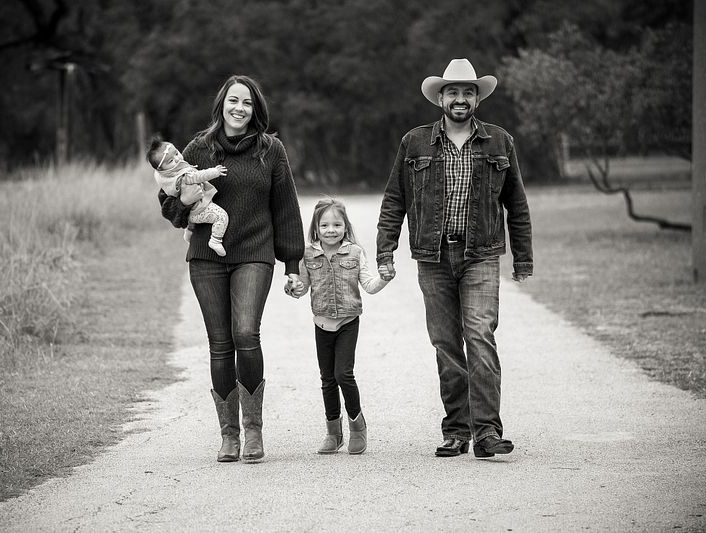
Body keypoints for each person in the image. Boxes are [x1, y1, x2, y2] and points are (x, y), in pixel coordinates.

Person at [375, 58, 533, 459]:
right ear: (440, 98)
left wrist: (523, 257)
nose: (460, 99)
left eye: (468, 92)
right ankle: (456, 431)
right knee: (446, 344)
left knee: (479, 337)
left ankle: (487, 433)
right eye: (453, 92)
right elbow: (395, 199)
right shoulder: (414, 143)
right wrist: (385, 249)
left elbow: (516, 203)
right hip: (433, 257)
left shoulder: (499, 141)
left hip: (480, 255)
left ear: (476, 98)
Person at [158, 75, 305, 463]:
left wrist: (293, 263)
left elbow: (285, 208)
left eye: (247, 103)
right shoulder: (197, 150)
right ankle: (229, 436)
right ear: (221, 104)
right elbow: (169, 205)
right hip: (206, 258)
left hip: (254, 253)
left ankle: (253, 432)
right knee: (220, 345)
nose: (239, 108)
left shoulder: (270, 150)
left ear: (256, 110)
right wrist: (185, 202)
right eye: (233, 101)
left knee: (245, 334)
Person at [285, 198, 390, 455]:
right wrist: (293, 288)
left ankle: (357, 426)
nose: (331, 230)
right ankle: (333, 432)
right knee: (327, 379)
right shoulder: (308, 254)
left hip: (347, 322)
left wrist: (384, 278)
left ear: (345, 226)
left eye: (337, 224)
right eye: (324, 225)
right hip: (321, 323)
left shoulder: (355, 252)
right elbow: (301, 286)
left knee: (344, 374)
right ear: (316, 228)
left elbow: (369, 286)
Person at [148, 139, 229, 255]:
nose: (177, 159)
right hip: (199, 208)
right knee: (221, 216)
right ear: (161, 169)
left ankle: (189, 230)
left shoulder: (165, 175)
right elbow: (197, 176)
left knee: (193, 218)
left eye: (176, 153)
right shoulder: (180, 177)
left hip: (192, 211)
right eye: (170, 161)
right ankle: (215, 240)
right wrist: (215, 171)